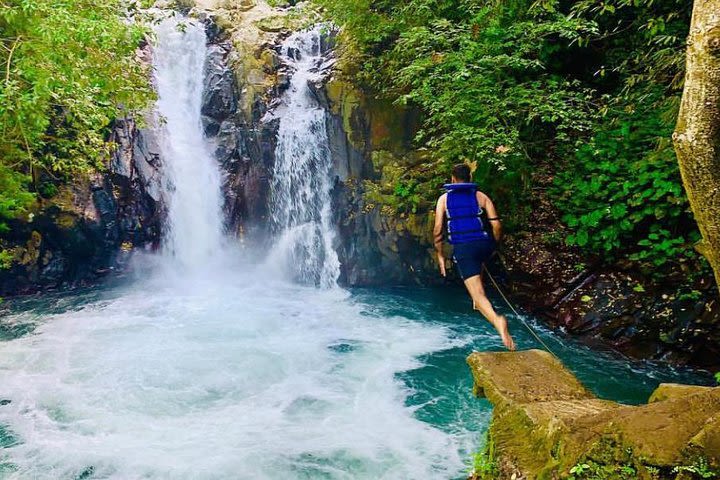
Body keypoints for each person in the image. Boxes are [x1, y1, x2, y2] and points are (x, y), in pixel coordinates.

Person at [433, 163, 516, 350]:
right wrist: (493, 245)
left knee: (478, 295)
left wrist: (440, 255)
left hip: (464, 249)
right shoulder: (481, 196)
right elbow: (496, 226)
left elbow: (438, 230)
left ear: (453, 179)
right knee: (478, 268)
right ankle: (477, 302)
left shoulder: (444, 200)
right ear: (469, 178)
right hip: (484, 244)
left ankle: (498, 321)